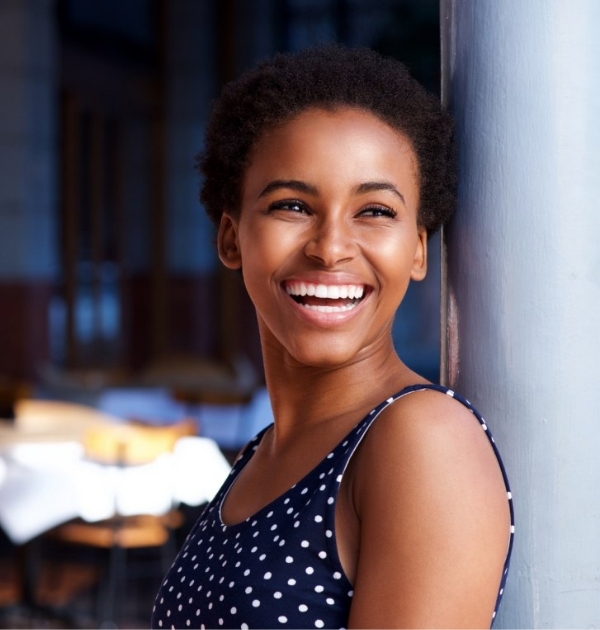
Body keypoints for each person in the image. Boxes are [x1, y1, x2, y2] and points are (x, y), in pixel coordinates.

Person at [151, 44, 513, 629]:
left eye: (374, 211)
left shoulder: (421, 439)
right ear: (231, 238)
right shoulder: (261, 455)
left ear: (418, 248)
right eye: (292, 205)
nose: (331, 247)